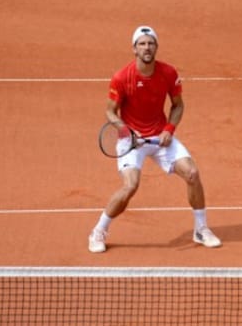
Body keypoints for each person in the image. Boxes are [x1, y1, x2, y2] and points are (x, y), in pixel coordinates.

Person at [88, 25, 221, 252]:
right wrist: (125, 130)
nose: (146, 47)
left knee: (192, 173)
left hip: (160, 137)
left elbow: (178, 105)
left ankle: (201, 229)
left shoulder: (168, 73)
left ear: (156, 47)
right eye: (142, 43)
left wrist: (169, 128)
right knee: (131, 186)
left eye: (150, 43)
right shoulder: (122, 77)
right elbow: (110, 111)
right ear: (134, 49)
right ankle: (98, 231)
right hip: (132, 140)